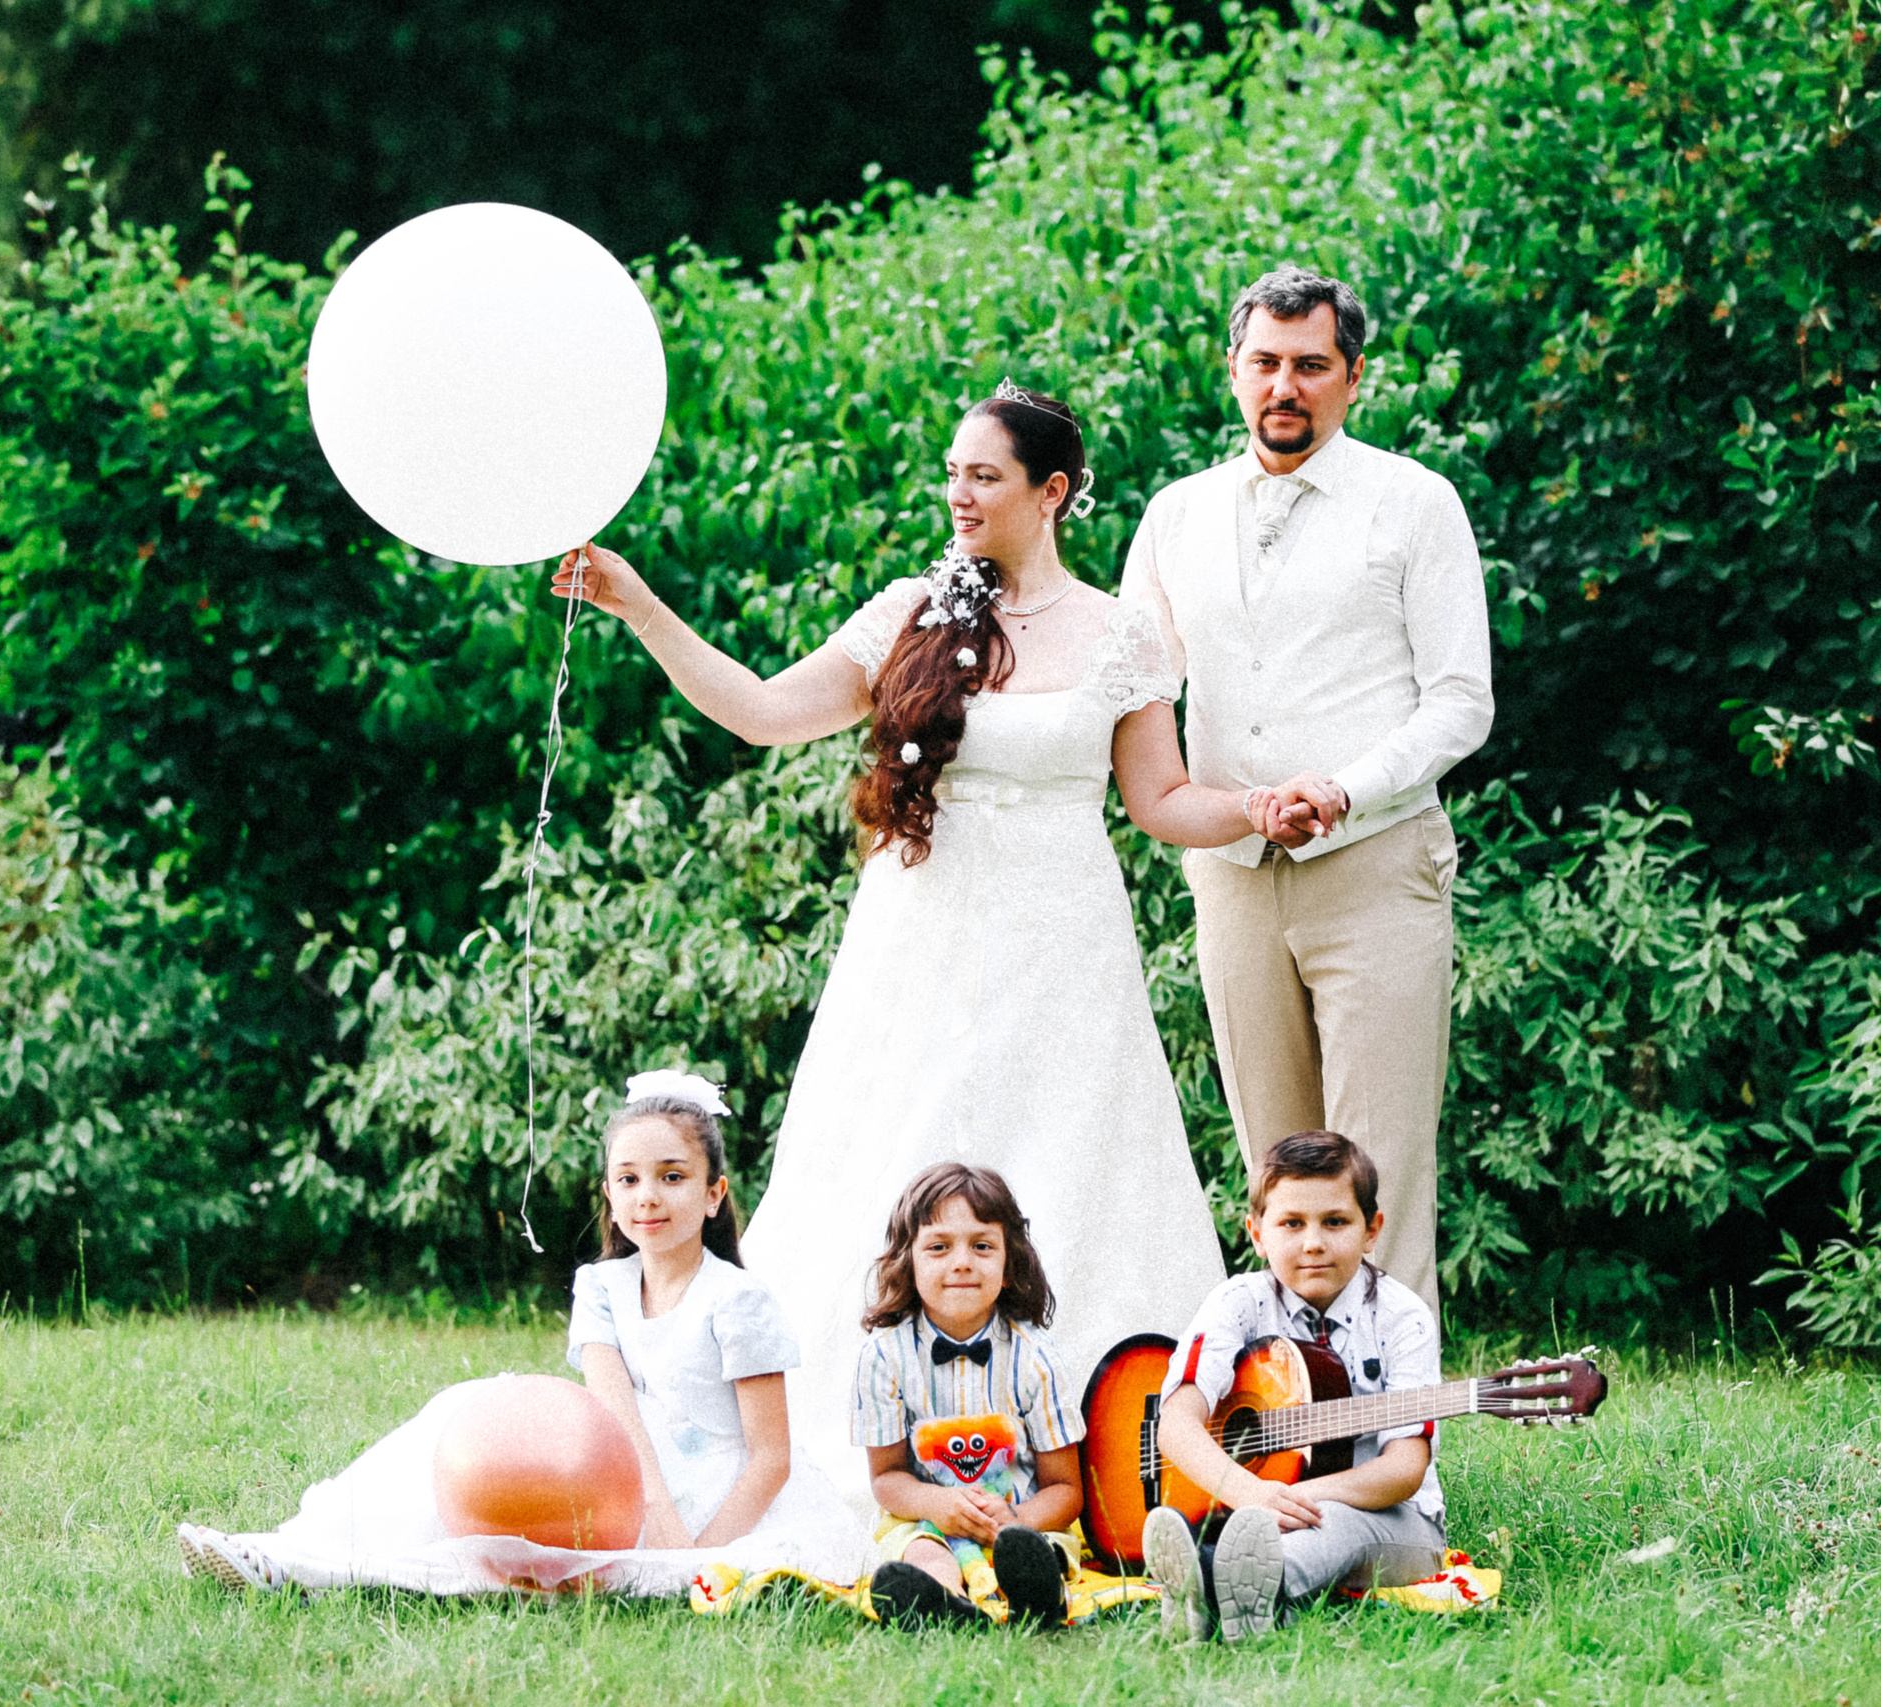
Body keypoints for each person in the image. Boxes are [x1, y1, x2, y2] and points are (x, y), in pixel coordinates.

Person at [553, 384, 1238, 1505]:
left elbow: (1162, 800)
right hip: (917, 946)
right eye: (954, 473)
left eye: (985, 476)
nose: (958, 494)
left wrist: (1258, 811)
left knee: (1080, 1165)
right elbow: (764, 710)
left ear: (1051, 492)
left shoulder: (1124, 632)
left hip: (1065, 952)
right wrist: (639, 606)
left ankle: (1104, 1456)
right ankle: (850, 1447)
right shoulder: (912, 611)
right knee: (886, 1155)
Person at [1119, 266, 1494, 1314]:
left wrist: (1343, 788)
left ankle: (1391, 1443)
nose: (1286, 386)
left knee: (1373, 1173)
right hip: (1232, 871)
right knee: (1276, 1173)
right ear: (1234, 372)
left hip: (1375, 863)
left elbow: (1461, 702)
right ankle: (1298, 1419)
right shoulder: (1175, 514)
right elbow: (1136, 685)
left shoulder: (1414, 503)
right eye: (1265, 364)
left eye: (1310, 366)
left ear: (1352, 376)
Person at [174, 1072, 871, 1597]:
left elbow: (770, 1456)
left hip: (719, 1493)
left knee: (514, 1557)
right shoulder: (601, 1286)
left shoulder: (738, 1299)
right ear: (609, 1194)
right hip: (625, 1466)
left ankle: (315, 1566)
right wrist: (646, 1501)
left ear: (714, 1193)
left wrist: (696, 1556)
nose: (648, 1196)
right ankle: (289, 1551)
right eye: (627, 1179)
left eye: (672, 1176)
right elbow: (614, 1406)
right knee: (458, 1417)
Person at [1140, 1130, 1446, 1644]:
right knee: (1260, 1525)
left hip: (1394, 1523)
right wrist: (1249, 1491)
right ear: (1256, 1233)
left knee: (1336, 1524)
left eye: (1335, 1222)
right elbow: (1176, 1422)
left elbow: (1403, 1470)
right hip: (1249, 1505)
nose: (1313, 1243)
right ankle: (1243, 1599)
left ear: (1372, 1230)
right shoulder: (1238, 1302)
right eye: (1291, 1224)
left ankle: (1206, 1582)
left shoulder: (1403, 1318)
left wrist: (1291, 1499)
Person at [853, 1164, 1084, 1629]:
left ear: (1008, 1266)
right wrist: (938, 1506)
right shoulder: (883, 1358)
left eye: (982, 1246)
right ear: (908, 1261)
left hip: (1022, 1519)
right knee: (920, 1550)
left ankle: (1036, 1597)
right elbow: (887, 1479)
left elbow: (1066, 1489)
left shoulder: (1036, 1358)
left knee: (1035, 1551)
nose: (961, 1262)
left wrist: (1014, 1517)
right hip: (925, 1518)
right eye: (939, 1247)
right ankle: (942, 1601)